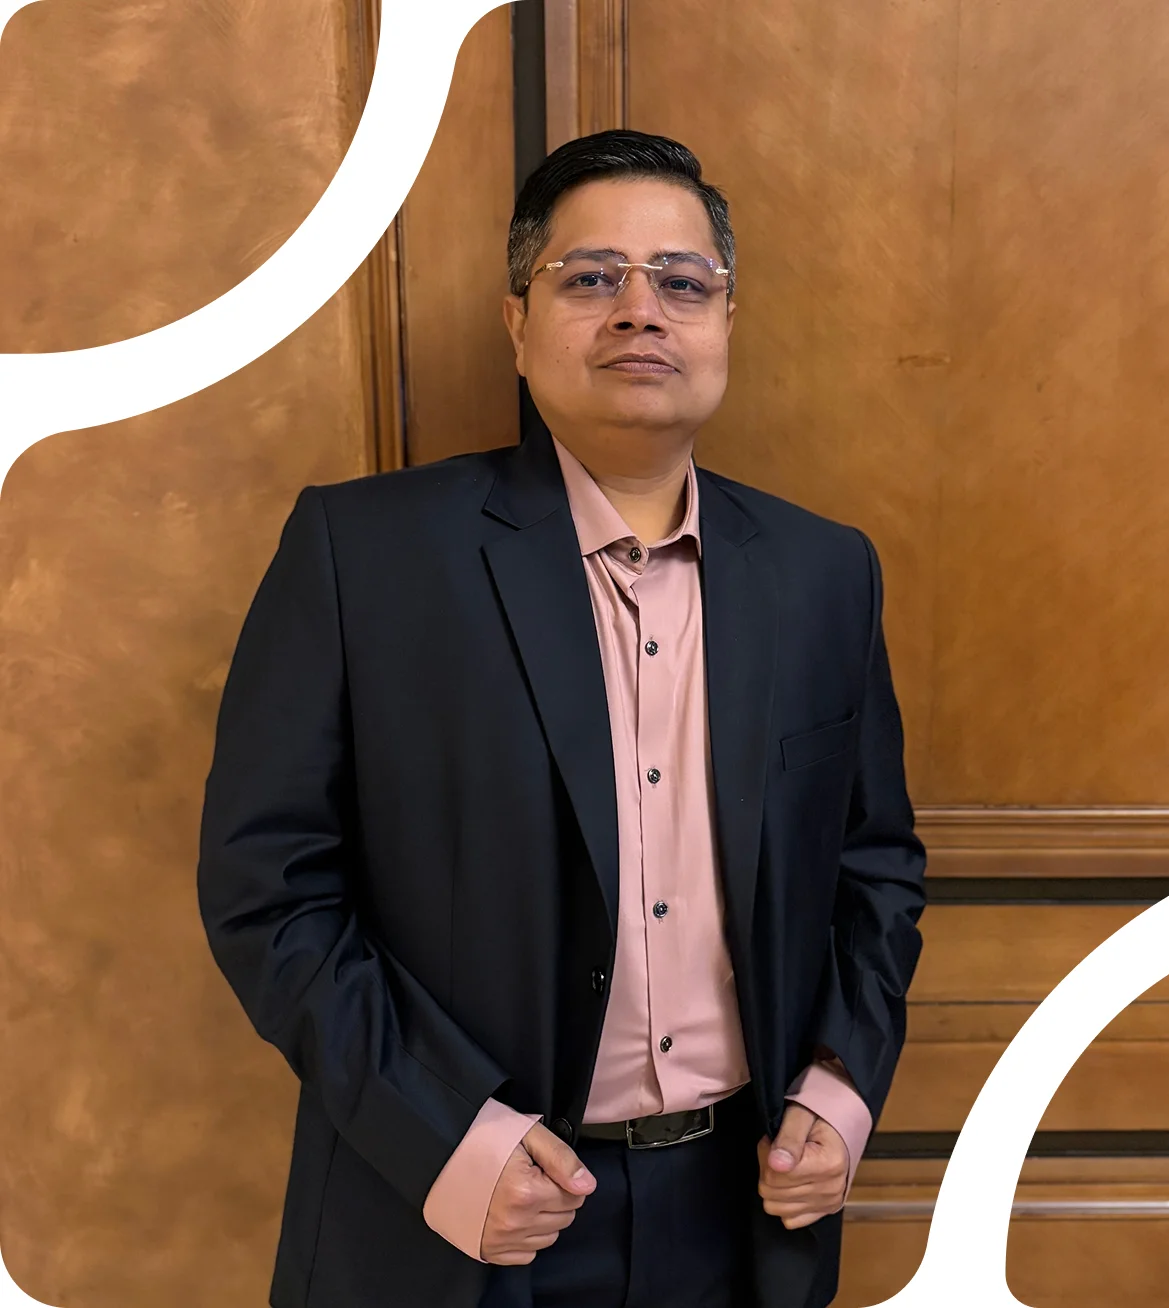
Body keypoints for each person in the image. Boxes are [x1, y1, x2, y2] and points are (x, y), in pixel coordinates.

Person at [197, 129, 927, 1308]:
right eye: (592, 278)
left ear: (724, 320)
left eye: (682, 282)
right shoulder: (362, 555)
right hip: (451, 1208)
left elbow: (875, 865)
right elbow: (268, 889)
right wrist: (445, 1137)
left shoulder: (824, 572)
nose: (642, 310)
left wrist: (840, 1088)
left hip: (741, 1214)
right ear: (517, 322)